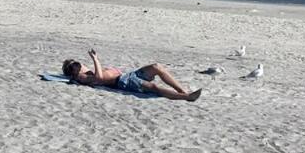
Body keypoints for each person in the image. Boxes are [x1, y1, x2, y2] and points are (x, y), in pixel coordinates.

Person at [62, 49, 201, 101]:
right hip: (124, 82)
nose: (80, 65)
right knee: (153, 88)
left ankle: (181, 90)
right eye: (76, 66)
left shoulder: (86, 70)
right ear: (73, 72)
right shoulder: (81, 77)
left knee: (156, 67)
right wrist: (95, 60)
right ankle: (187, 97)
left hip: (130, 75)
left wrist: (90, 64)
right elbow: (99, 78)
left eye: (78, 63)